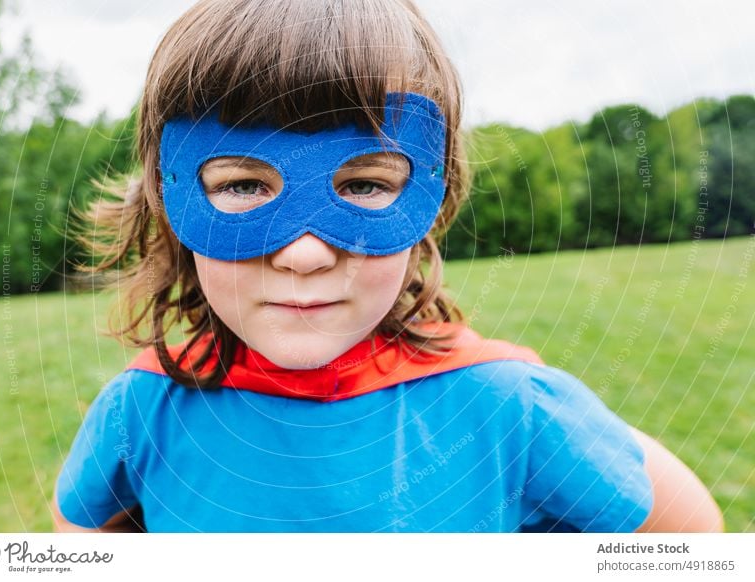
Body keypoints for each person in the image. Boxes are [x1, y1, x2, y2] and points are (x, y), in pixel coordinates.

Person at [51, 0, 723, 533]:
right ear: (168, 199)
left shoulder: (504, 408)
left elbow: (691, 535)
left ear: (433, 194)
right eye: (243, 186)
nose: (304, 254)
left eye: (364, 185)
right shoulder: (144, 411)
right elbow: (75, 529)